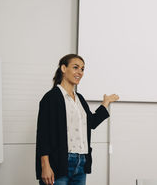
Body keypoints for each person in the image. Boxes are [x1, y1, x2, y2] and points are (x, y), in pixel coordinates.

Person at [35, 54, 119, 185]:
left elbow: (91, 123)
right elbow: (43, 135)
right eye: (75, 67)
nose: (80, 72)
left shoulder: (80, 99)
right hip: (59, 162)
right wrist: (45, 166)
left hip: (81, 163)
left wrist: (105, 103)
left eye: (82, 69)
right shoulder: (51, 98)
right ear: (63, 68)